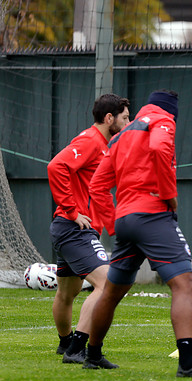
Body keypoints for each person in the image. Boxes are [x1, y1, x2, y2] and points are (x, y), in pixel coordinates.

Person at [86, 90, 192, 379]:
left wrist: (113, 226)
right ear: (172, 112)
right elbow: (161, 149)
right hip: (152, 215)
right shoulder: (163, 121)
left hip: (126, 220)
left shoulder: (120, 135)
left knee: (111, 293)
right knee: (185, 284)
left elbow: (97, 186)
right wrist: (169, 196)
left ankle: (92, 354)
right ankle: (188, 364)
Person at [47, 93, 130, 364]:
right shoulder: (90, 141)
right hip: (73, 229)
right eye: (125, 118)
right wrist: (72, 211)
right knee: (107, 284)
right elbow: (56, 166)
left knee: (67, 292)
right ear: (109, 119)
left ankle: (64, 343)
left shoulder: (104, 145)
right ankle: (76, 349)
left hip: (68, 229)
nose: (128, 123)